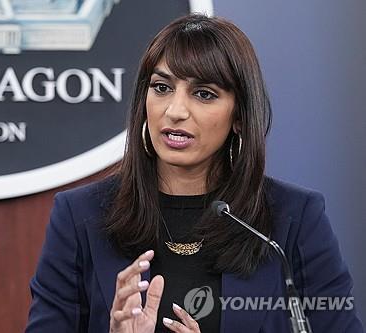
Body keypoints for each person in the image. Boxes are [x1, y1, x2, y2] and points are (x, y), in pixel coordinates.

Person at [24, 13, 363, 333]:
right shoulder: (80, 216)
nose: (175, 110)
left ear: (241, 116)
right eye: (162, 87)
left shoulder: (292, 220)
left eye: (204, 94)